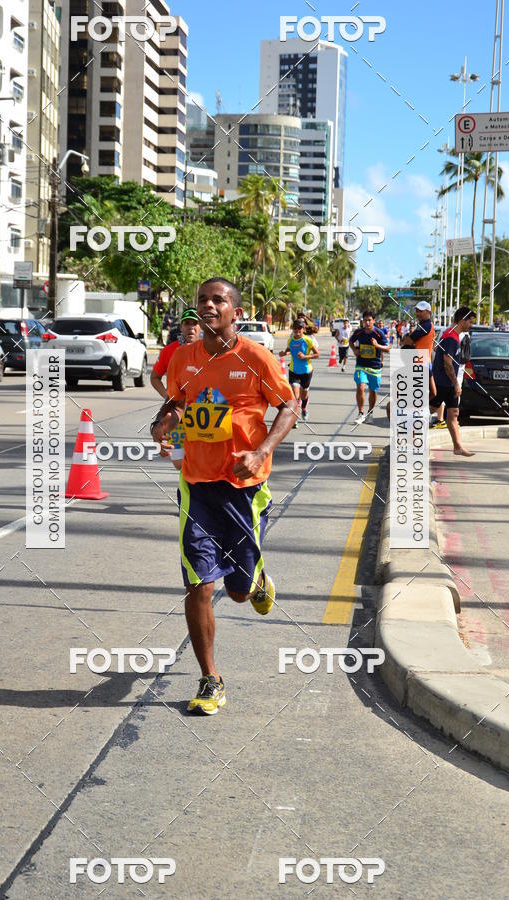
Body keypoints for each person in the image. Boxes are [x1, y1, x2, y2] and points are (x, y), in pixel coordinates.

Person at [151, 278, 298, 715]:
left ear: (236, 311)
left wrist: (262, 451)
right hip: (195, 486)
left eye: (219, 300)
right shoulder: (184, 357)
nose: (209, 306)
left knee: (236, 592)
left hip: (242, 490)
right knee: (198, 583)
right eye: (202, 300)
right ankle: (210, 679)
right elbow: (177, 404)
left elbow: (289, 406)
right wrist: (164, 426)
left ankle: (255, 579)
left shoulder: (256, 357)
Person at [151, 308, 202, 469]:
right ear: (181, 327)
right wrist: (168, 395)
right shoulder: (169, 351)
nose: (191, 327)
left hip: (202, 414)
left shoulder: (209, 350)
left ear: (201, 327)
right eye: (187, 324)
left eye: (195, 324)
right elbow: (154, 377)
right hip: (177, 412)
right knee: (180, 463)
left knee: (201, 461)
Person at [430, 306, 477, 457]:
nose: (471, 325)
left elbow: (438, 350)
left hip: (448, 383)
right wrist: (456, 383)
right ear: (462, 320)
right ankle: (405, 437)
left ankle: (457, 447)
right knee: (427, 411)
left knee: (453, 413)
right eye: (470, 322)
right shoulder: (451, 338)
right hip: (443, 383)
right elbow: (447, 364)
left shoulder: (450, 335)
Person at [400, 301, 443, 427]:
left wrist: (410, 342)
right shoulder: (425, 325)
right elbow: (407, 342)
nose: (417, 313)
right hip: (421, 363)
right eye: (417, 311)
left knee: (431, 392)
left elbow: (407, 341)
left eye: (420, 311)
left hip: (421, 363)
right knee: (429, 392)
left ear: (428, 312)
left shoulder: (425, 326)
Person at [350, 310, 390, 424]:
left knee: (373, 391)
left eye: (369, 320)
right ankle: (361, 413)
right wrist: (354, 350)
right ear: (362, 321)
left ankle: (370, 413)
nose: (367, 323)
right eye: (365, 320)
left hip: (375, 366)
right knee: (360, 386)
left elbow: (387, 349)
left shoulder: (379, 333)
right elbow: (351, 341)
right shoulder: (359, 332)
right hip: (361, 365)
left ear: (373, 321)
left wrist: (377, 345)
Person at [279, 318, 320, 425]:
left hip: (306, 372)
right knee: (295, 396)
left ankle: (304, 408)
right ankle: (295, 418)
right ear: (293, 329)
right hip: (293, 371)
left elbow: (317, 354)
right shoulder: (290, 340)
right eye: (295, 328)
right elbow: (289, 350)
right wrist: (284, 353)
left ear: (303, 329)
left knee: (304, 395)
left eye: (300, 328)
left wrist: (305, 356)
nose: (297, 330)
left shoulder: (308, 340)